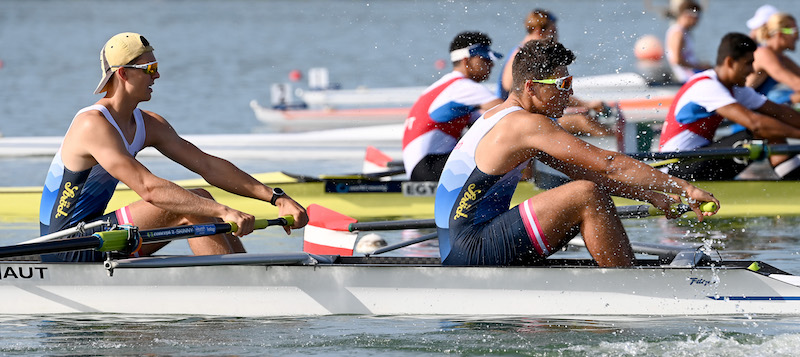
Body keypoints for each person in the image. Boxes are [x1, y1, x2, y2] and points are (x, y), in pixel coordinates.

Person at [434, 39, 718, 268]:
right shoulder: (525, 124)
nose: (568, 95)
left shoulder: (503, 116)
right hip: (470, 247)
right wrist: (686, 188)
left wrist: (650, 195)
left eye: (570, 84)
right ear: (531, 88)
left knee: (585, 186)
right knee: (585, 195)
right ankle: (629, 289)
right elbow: (609, 164)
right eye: (562, 86)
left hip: (461, 243)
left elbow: (585, 170)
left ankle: (618, 276)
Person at [39, 32, 308, 262]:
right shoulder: (92, 124)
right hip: (67, 244)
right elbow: (148, 188)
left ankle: (248, 280)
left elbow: (209, 166)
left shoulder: (149, 124)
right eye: (151, 69)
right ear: (123, 74)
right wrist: (223, 212)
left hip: (98, 234)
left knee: (202, 197)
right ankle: (231, 293)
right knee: (194, 207)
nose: (158, 76)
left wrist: (276, 198)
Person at [659, 32, 800, 181]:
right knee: (764, 131)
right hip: (676, 167)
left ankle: (794, 183)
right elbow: (756, 124)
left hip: (697, 157)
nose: (752, 70)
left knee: (772, 126)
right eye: (748, 63)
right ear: (730, 62)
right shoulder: (706, 86)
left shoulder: (736, 88)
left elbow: (780, 112)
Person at [402, 31, 504, 181]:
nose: (491, 63)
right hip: (428, 167)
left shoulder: (445, 86)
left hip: (423, 165)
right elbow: (511, 111)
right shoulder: (463, 87)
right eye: (484, 58)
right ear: (466, 61)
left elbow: (484, 124)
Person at [496, 9, 612, 137]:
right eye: (554, 31)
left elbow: (550, 89)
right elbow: (509, 87)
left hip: (533, 110)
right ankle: (618, 148)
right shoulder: (523, 55)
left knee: (581, 116)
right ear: (539, 31)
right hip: (517, 119)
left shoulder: (528, 53)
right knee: (582, 121)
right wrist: (587, 104)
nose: (557, 36)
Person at [747, 12, 800, 106]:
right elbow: (796, 84)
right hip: (737, 112)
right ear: (780, 34)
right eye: (795, 32)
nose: (797, 38)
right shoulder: (764, 54)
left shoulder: (781, 58)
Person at [664, 1, 712, 83]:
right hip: (686, 77)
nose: (698, 21)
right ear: (688, 15)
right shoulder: (678, 33)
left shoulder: (684, 32)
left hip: (692, 72)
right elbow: (676, 60)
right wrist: (700, 67)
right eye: (697, 16)